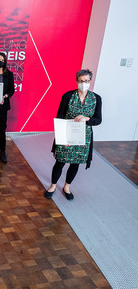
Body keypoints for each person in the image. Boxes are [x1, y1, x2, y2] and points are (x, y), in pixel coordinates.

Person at [45, 69, 102, 200]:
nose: (84, 83)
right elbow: (59, 116)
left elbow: (98, 120)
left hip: (83, 137)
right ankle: (53, 186)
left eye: (87, 81)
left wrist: (87, 119)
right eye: (81, 81)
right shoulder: (68, 96)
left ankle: (66, 187)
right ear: (77, 81)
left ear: (90, 81)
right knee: (60, 161)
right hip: (66, 133)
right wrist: (62, 137)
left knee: (75, 163)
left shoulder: (96, 99)